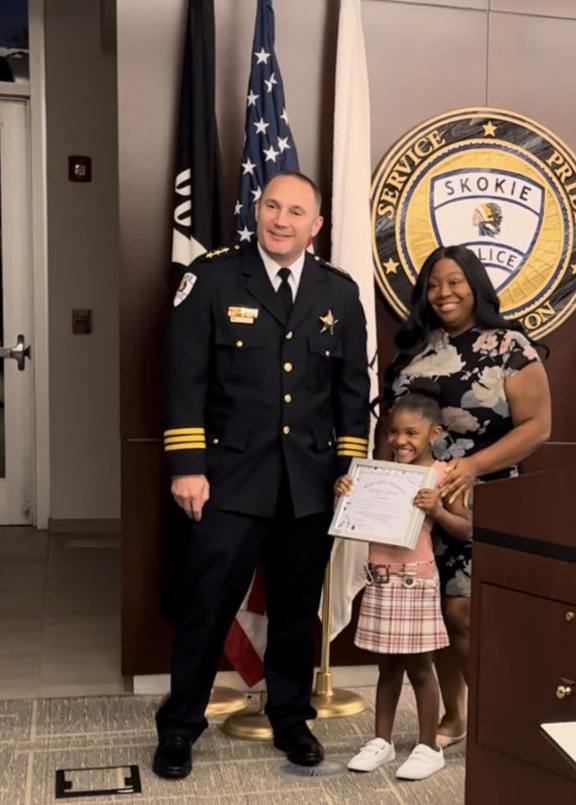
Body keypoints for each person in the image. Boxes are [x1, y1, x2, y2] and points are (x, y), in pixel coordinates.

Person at [153, 171, 370, 779]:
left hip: (310, 482)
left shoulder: (339, 291)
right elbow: (183, 377)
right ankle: (179, 727)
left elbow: (353, 390)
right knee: (208, 605)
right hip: (227, 479)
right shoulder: (214, 277)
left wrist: (349, 472)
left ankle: (291, 717)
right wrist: (187, 468)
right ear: (257, 208)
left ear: (316, 225)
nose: (282, 219)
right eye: (272, 205)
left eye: (296, 211)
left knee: (298, 610)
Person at [379, 244, 551, 748]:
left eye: (454, 282)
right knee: (433, 614)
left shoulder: (510, 346)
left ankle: (503, 719)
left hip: (485, 498)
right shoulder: (415, 349)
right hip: (416, 504)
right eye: (433, 285)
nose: (443, 293)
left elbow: (539, 426)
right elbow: (394, 427)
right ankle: (455, 718)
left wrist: (471, 466)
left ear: (475, 284)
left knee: (463, 613)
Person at [337, 389, 472, 780]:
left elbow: (466, 529)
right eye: (394, 432)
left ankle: (428, 747)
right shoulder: (375, 472)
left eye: (412, 433)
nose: (400, 441)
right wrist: (342, 493)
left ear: (434, 434)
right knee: (387, 667)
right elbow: (349, 518)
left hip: (417, 581)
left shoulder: (445, 475)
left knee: (420, 668)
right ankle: (382, 741)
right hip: (379, 579)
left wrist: (439, 510)